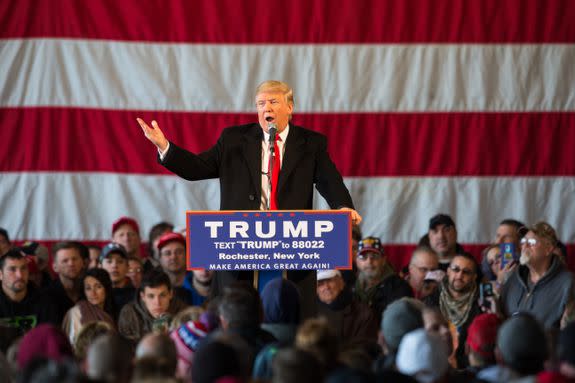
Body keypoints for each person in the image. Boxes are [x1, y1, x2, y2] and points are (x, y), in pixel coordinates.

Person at [138, 80, 361, 295]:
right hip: (241, 251)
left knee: (288, 315)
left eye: (273, 102)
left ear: (289, 107)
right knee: (239, 320)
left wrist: (342, 206)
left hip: (291, 250)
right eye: (261, 104)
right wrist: (165, 147)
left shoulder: (311, 143)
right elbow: (197, 168)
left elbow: (329, 180)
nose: (266, 108)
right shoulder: (233, 140)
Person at [500, 221, 575, 329]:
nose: (524, 246)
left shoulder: (568, 283)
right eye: (523, 241)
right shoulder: (511, 278)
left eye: (531, 242)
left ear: (548, 249)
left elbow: (569, 334)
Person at [423, 253, 482, 368]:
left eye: (466, 272)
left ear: (474, 277)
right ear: (448, 271)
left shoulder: (481, 304)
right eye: (456, 269)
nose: (459, 276)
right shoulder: (430, 301)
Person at [118, 269, 187, 342]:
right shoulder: (129, 313)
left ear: (170, 294)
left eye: (162, 295)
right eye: (151, 296)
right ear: (143, 296)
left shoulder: (184, 313)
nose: (157, 302)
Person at [0, 249, 59, 333]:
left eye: (23, 268)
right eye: (12, 269)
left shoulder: (45, 300)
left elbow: (49, 338)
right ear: (1, 275)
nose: (19, 275)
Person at [353, 236, 412, 320]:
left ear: (383, 260)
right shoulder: (349, 285)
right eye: (364, 257)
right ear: (357, 262)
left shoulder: (399, 287)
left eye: (375, 256)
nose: (369, 261)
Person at [316, 269, 378, 343]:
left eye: (330, 281)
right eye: (320, 284)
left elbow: (363, 350)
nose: (326, 287)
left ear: (341, 283)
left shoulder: (364, 314)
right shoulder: (309, 313)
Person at [62, 268, 116, 345]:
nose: (93, 292)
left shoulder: (113, 309)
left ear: (106, 288)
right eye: (88, 288)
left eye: (98, 287)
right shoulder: (76, 313)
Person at [45, 241, 86, 323]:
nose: (71, 264)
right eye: (65, 261)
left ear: (83, 263)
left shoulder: (90, 291)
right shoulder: (46, 297)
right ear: (55, 267)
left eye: (75, 259)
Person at [99, 242, 136, 314]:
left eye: (120, 261)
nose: (114, 265)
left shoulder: (137, 296)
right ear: (100, 266)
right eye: (109, 261)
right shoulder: (94, 295)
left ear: (127, 267)